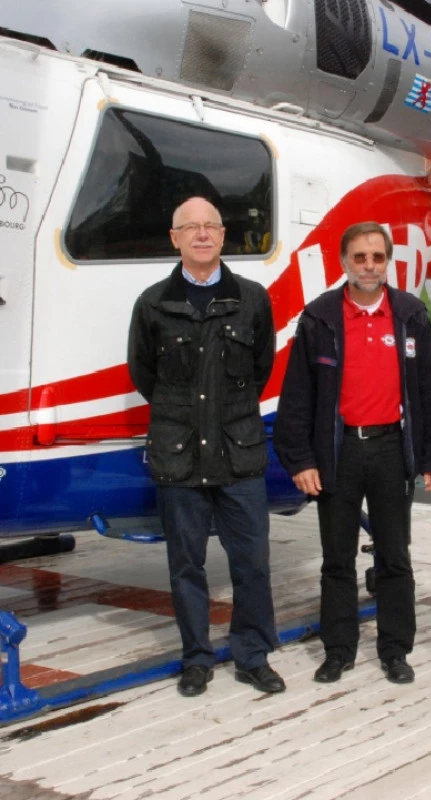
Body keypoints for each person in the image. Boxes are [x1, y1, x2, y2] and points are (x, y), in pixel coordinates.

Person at [273, 221, 431, 685]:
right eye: (359, 257)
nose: (369, 266)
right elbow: (297, 399)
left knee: (395, 556)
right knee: (337, 558)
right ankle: (339, 649)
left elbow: (429, 391)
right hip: (338, 452)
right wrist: (301, 460)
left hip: (391, 448)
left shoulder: (410, 315)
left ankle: (395, 650)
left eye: (377, 257)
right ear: (343, 261)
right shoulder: (320, 319)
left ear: (387, 261)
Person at [128, 197, 284, 698]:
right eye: (190, 227)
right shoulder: (152, 303)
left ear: (223, 236)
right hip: (179, 455)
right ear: (174, 238)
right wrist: (188, 417)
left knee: (252, 563)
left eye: (210, 226)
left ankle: (253, 656)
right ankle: (196, 658)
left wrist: (221, 415)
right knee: (185, 566)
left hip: (239, 455)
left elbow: (260, 369)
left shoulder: (253, 299)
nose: (201, 234)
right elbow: (144, 374)